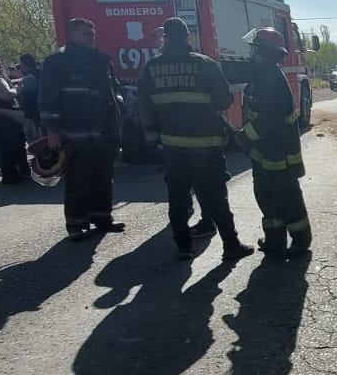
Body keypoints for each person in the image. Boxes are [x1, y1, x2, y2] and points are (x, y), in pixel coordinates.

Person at [137, 17, 254, 261]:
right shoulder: (206, 64)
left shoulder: (151, 67)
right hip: (206, 145)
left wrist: (151, 136)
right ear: (188, 37)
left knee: (178, 199)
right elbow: (224, 100)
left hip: (171, 146)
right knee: (217, 198)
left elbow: (144, 105)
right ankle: (231, 246)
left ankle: (184, 248)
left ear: (165, 39)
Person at [39, 17, 125, 240]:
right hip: (74, 132)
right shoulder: (57, 62)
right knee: (78, 180)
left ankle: (102, 218)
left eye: (93, 32)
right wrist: (52, 130)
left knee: (103, 178)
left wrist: (117, 126)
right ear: (74, 34)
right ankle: (76, 225)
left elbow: (112, 94)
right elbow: (48, 98)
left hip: (103, 131)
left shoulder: (101, 60)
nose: (92, 36)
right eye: (87, 33)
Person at [240, 26, 311, 255]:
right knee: (266, 197)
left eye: (255, 49)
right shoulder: (261, 76)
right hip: (264, 152)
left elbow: (269, 120)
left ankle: (300, 240)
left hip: (279, 153)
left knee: (287, 197)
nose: (251, 53)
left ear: (264, 52)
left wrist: (244, 136)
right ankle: (275, 240)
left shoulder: (271, 80)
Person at [17, 54, 41, 142]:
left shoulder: (29, 78)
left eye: (22, 66)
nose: (21, 69)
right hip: (38, 114)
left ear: (26, 65)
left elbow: (23, 95)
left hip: (33, 115)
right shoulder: (39, 73)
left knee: (35, 142)